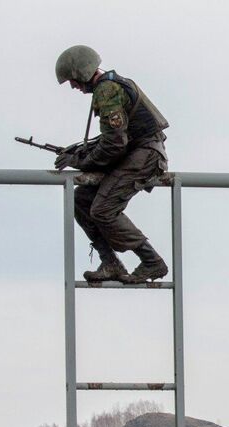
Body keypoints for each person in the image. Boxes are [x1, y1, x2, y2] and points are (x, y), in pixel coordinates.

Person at [54, 45, 169, 284]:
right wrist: (82, 153)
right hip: (137, 153)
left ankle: (151, 261)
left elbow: (114, 144)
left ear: (82, 73)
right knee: (82, 200)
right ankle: (110, 263)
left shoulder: (107, 90)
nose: (74, 86)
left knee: (102, 210)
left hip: (146, 154)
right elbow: (115, 141)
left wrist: (79, 161)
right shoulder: (109, 86)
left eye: (73, 80)